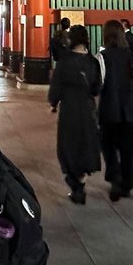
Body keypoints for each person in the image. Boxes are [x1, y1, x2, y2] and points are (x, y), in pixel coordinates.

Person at [48, 24, 101, 204]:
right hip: (87, 107)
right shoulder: (93, 62)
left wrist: (53, 103)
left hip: (69, 108)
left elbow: (56, 86)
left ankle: (74, 183)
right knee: (86, 143)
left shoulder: (64, 61)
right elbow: (97, 87)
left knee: (68, 144)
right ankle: (82, 181)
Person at [97, 19, 133, 201]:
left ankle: (115, 177)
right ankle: (127, 184)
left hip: (110, 107)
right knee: (128, 148)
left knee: (107, 145)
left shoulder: (103, 56)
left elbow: (100, 82)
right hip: (131, 108)